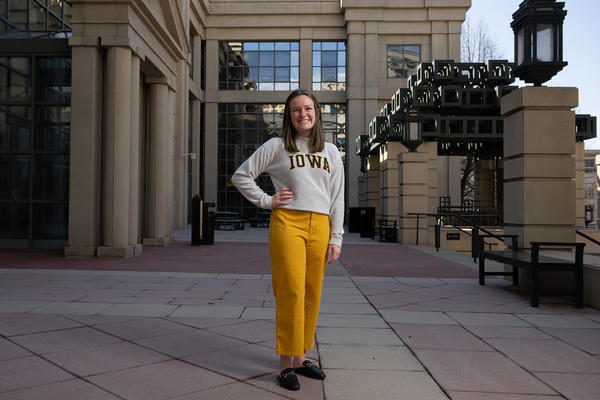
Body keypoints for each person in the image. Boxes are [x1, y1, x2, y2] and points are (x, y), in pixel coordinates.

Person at [231, 88, 344, 391]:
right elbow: (241, 176)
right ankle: (284, 363)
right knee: (291, 290)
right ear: (288, 116)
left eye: (308, 108)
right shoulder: (277, 146)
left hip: (319, 225)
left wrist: (337, 238)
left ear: (316, 112)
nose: (303, 114)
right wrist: (268, 201)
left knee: (311, 292)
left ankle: (300, 356)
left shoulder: (331, 152)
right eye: (296, 110)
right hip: (288, 223)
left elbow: (337, 199)